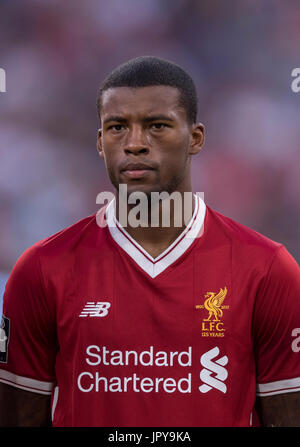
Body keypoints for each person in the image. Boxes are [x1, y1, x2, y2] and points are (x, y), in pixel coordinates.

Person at [0, 56, 300, 427]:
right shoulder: (41, 269)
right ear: (99, 142)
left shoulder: (267, 269)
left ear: (196, 138)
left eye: (157, 126)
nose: (135, 143)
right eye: (117, 127)